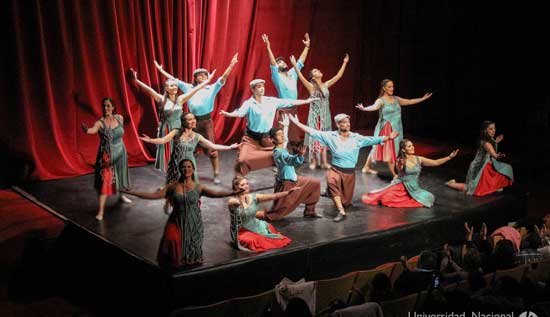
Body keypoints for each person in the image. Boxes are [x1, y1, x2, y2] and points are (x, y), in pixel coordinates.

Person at [122, 159, 239, 268]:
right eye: (183, 167)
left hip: (193, 222)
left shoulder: (199, 187)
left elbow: (216, 193)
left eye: (189, 167)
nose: (186, 169)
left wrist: (231, 193)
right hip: (176, 220)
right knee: (171, 241)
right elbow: (154, 195)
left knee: (190, 250)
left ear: (193, 170)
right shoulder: (172, 186)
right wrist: (133, 192)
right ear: (179, 169)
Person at [288, 113, 398, 222]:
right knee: (332, 181)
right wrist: (297, 123)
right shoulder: (331, 136)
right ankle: (341, 211)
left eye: (348, 122)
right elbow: (312, 132)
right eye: (344, 122)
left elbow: (372, 139)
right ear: (338, 124)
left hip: (349, 173)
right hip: (335, 170)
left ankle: (331, 194)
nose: (347, 124)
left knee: (346, 201)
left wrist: (388, 138)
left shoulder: (357, 138)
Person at [154, 54, 239, 183]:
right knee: (187, 148)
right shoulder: (189, 87)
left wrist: (231, 65)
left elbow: (223, 78)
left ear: (207, 77)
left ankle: (216, 174)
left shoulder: (212, 88)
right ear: (195, 78)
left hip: (205, 122)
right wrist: (161, 70)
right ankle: (186, 174)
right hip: (190, 121)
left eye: (204, 75)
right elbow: (173, 80)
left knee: (212, 150)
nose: (202, 77)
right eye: (199, 75)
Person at [219, 79, 317, 176]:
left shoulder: (271, 101)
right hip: (251, 138)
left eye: (263, 86)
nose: (262, 88)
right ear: (253, 90)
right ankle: (240, 183)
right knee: (242, 160)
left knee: (283, 154)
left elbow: (289, 101)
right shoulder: (249, 103)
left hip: (268, 137)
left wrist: (306, 101)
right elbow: (240, 113)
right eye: (259, 87)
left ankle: (286, 176)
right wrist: (229, 114)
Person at [130, 69, 214, 172]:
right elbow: (149, 90)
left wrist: (207, 81)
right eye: (171, 86)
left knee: (180, 153)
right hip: (166, 129)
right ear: (166, 88)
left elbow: (195, 90)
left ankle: (181, 175)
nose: (174, 87)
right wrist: (136, 80)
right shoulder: (161, 99)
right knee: (168, 154)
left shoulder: (181, 99)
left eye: (175, 85)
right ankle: (171, 176)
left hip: (179, 130)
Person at [356, 79, 432, 178]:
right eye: (389, 87)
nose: (392, 88)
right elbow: (374, 107)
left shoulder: (396, 99)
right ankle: (395, 175)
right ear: (384, 88)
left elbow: (409, 101)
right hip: (386, 129)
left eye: (392, 86)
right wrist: (365, 108)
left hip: (397, 129)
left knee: (385, 149)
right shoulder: (381, 100)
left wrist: (422, 99)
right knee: (389, 150)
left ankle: (366, 167)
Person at [140, 112, 239, 184]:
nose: (193, 121)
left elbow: (213, 146)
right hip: (176, 165)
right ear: (184, 122)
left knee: (190, 187)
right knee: (176, 187)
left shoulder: (197, 136)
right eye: (190, 119)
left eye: (194, 119)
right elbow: (163, 140)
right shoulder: (176, 132)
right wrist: (150, 140)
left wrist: (230, 147)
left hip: (190, 165)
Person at [290, 53, 349, 170]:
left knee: (325, 137)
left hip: (325, 116)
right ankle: (313, 160)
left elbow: (338, 76)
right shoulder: (311, 86)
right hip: (315, 116)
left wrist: (345, 63)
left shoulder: (326, 85)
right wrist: (294, 65)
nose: (319, 71)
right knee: (314, 137)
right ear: (313, 77)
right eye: (316, 71)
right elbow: (300, 76)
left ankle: (324, 161)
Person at [362, 139, 459, 208]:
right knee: (386, 198)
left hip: (414, 188)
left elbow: (436, 162)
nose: (412, 147)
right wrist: (399, 166)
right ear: (404, 150)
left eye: (412, 145)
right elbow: (398, 170)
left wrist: (449, 157)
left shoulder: (419, 159)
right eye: (409, 146)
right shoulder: (401, 160)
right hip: (401, 186)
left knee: (429, 197)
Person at [81, 97, 131, 221]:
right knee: (104, 182)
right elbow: (93, 130)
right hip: (107, 155)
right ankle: (101, 211)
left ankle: (121, 196)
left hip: (121, 152)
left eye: (108, 106)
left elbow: (120, 134)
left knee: (120, 175)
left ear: (113, 107)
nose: (106, 108)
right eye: (104, 106)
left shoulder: (119, 118)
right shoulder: (100, 123)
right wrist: (87, 130)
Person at [266, 116, 322, 220]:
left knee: (315, 183)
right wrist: (299, 155)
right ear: (272, 139)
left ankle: (310, 211)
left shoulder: (282, 147)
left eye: (282, 134)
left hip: (295, 179)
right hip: (287, 184)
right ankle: (257, 216)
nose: (282, 136)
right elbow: (289, 160)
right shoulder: (278, 153)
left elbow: (286, 139)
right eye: (279, 135)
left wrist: (286, 126)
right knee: (278, 213)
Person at [262, 33, 311, 150]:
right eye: (279, 63)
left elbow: (300, 61)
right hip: (284, 110)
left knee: (294, 134)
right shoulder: (277, 77)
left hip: (294, 109)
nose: (281, 63)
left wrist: (307, 47)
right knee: (281, 135)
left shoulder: (292, 73)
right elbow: (272, 64)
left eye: (282, 61)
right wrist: (268, 47)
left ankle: (293, 155)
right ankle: (278, 159)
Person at [445, 121, 513, 196]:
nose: (494, 130)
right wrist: (498, 156)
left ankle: (494, 186)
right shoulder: (486, 143)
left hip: (485, 164)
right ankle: (449, 183)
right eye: (491, 129)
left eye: (494, 128)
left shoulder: (487, 140)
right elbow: (492, 153)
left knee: (505, 168)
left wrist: (496, 142)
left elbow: (491, 148)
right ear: (485, 131)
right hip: (479, 167)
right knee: (468, 188)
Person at [227, 176, 294, 252]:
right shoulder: (233, 200)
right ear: (236, 187)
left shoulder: (254, 197)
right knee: (253, 241)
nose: (246, 186)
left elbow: (273, 196)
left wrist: (287, 193)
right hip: (242, 230)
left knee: (269, 229)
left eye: (247, 184)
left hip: (256, 225)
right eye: (242, 185)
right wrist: (240, 199)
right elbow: (232, 202)